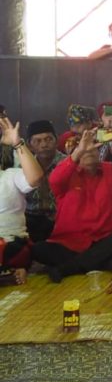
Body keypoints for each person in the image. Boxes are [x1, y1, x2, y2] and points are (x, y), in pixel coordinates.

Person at [31, 125, 112, 280]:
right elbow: (54, 180)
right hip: (69, 243)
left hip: (104, 240)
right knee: (38, 249)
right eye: (85, 150)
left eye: (93, 149)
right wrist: (80, 149)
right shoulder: (66, 175)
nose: (89, 152)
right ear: (76, 155)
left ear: (99, 154)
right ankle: (98, 263)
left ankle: (70, 268)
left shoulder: (111, 171)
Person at [0, 116, 45, 285]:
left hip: (10, 245)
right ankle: (7, 275)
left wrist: (17, 143)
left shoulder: (9, 176)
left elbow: (36, 178)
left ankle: (9, 273)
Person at [24, 120, 67, 242]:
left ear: (56, 140)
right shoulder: (24, 167)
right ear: (29, 146)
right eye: (37, 141)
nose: (44, 145)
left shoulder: (67, 164)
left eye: (48, 139)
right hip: (30, 219)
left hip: (60, 218)